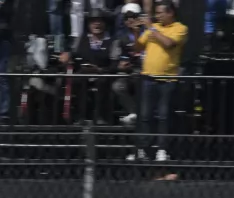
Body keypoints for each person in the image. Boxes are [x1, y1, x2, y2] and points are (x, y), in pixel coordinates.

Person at [128, 0, 187, 162]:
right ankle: (143, 149)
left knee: (163, 116)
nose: (157, 15)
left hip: (167, 80)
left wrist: (150, 27)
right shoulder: (153, 28)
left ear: (171, 13)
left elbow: (168, 43)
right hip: (148, 77)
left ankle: (162, 149)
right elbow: (138, 48)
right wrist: (134, 32)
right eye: (157, 12)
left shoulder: (180, 28)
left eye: (161, 12)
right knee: (145, 116)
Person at [60, 10, 115, 125]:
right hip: (84, 72)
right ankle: (81, 116)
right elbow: (72, 53)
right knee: (78, 81)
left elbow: (115, 63)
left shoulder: (112, 41)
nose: (97, 24)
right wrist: (67, 55)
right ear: (88, 24)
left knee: (103, 83)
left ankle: (101, 117)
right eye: (93, 22)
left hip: (103, 73)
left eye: (100, 22)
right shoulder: (81, 39)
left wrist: (100, 70)